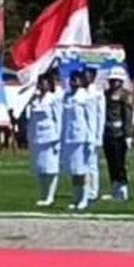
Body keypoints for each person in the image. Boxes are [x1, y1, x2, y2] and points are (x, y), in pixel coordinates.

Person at [27, 70, 63, 207]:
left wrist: (58, 140)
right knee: (40, 169)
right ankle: (43, 195)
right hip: (37, 137)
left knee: (51, 169)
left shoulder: (54, 99)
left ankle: (50, 196)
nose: (42, 84)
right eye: (40, 82)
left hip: (50, 137)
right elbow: (31, 120)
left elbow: (58, 119)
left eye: (45, 81)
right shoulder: (35, 99)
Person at [60, 70, 94, 211]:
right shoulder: (67, 97)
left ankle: (85, 198)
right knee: (74, 171)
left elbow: (91, 119)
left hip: (82, 137)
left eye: (76, 80)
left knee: (82, 170)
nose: (73, 83)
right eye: (71, 80)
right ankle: (76, 197)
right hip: (69, 138)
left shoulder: (85, 97)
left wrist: (91, 140)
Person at [103, 66, 134, 201]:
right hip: (108, 132)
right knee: (111, 162)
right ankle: (115, 189)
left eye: (116, 80)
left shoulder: (125, 95)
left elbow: (128, 115)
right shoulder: (106, 94)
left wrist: (128, 135)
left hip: (119, 133)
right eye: (111, 80)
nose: (113, 83)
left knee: (120, 163)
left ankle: (123, 190)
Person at [83, 67, 106, 203]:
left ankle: (93, 191)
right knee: (82, 164)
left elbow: (100, 115)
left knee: (92, 164)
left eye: (88, 76)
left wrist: (98, 136)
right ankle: (85, 188)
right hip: (81, 133)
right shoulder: (81, 92)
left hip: (92, 133)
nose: (86, 78)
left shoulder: (97, 93)